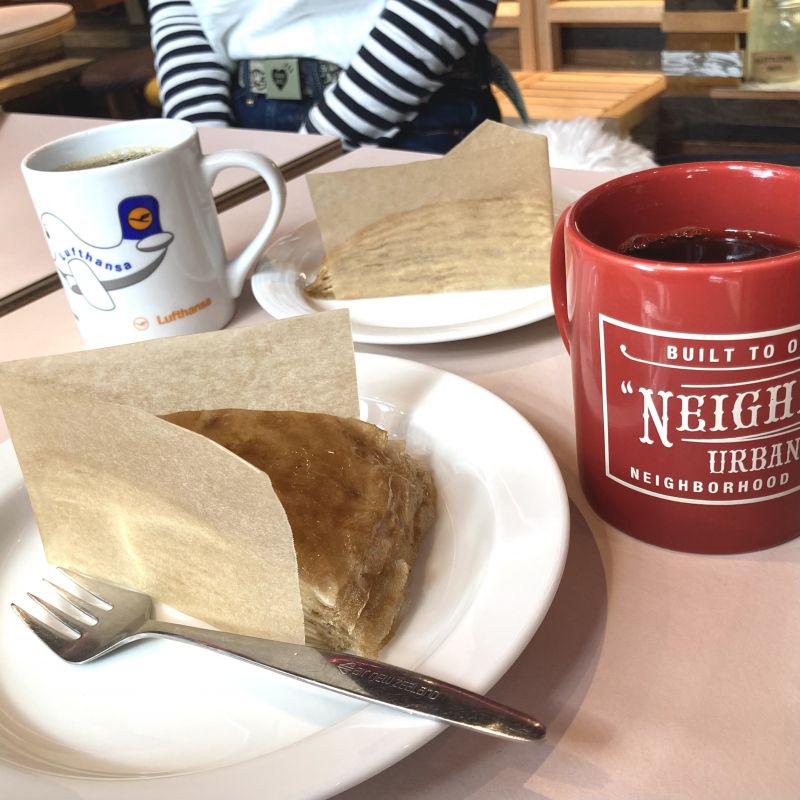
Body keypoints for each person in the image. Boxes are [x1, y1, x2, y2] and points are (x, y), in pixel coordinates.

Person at [147, 0, 506, 154]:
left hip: (409, 104)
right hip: (246, 116)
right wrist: (201, 150)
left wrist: (315, 150)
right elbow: (180, 10)